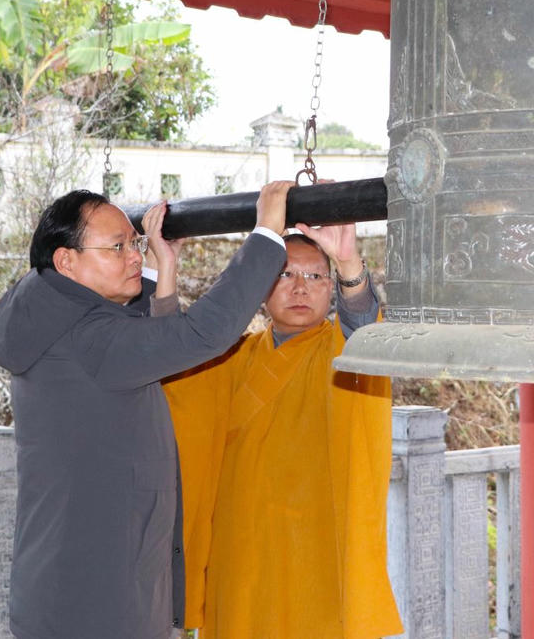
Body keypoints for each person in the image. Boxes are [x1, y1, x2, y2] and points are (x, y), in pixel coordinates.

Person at [0, 182, 292, 639]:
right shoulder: (88, 343)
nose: (132, 255)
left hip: (74, 583)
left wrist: (156, 269)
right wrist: (266, 234)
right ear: (67, 260)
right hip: (97, 603)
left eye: (134, 243)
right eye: (117, 247)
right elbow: (201, 335)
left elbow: (146, 349)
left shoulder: (52, 321)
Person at [160, 219, 402, 639]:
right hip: (239, 557)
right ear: (259, 289)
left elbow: (363, 328)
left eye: (314, 276)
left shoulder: (343, 353)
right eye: (283, 274)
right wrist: (163, 273)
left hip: (317, 556)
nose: (300, 288)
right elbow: (170, 359)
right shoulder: (227, 357)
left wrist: (349, 265)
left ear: (330, 288)